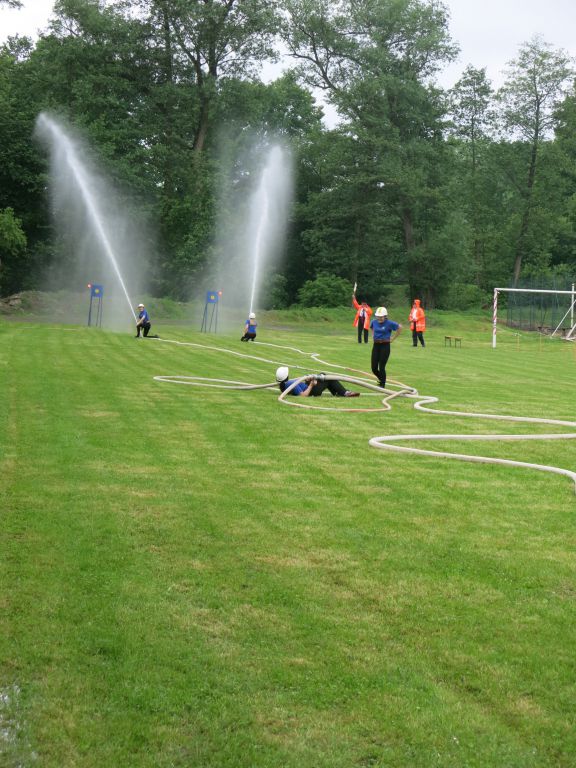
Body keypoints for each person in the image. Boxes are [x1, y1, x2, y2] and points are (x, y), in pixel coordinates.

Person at [370, 306, 402, 389]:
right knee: (374, 368)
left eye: (381, 317)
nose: (379, 318)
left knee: (381, 367)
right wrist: (373, 335)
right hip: (376, 346)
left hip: (385, 346)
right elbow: (371, 327)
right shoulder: (374, 322)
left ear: (385, 316)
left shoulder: (389, 323)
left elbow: (399, 327)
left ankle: (382, 385)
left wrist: (393, 338)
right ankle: (382, 379)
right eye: (378, 316)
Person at [275, 367, 360, 397]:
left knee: (322, 375)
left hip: (308, 387)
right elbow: (303, 395)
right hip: (312, 391)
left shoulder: (284, 385)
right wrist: (311, 385)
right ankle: (344, 393)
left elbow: (300, 388)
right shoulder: (290, 383)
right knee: (328, 378)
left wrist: (307, 381)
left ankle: (338, 393)